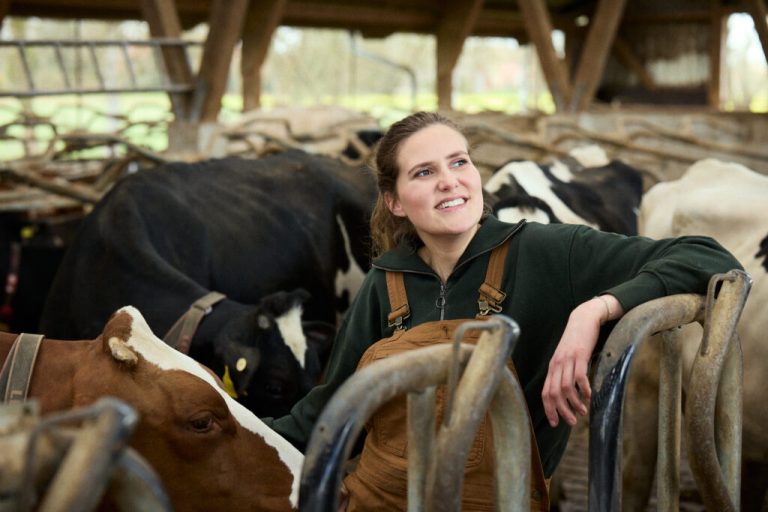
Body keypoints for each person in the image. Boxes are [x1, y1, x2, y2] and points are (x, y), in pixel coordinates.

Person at [268, 111, 742, 510]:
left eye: (459, 162)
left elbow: (708, 256)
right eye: (424, 172)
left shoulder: (548, 251)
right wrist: (228, 423)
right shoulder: (384, 282)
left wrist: (594, 310)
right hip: (393, 498)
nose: (449, 181)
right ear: (394, 202)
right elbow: (329, 411)